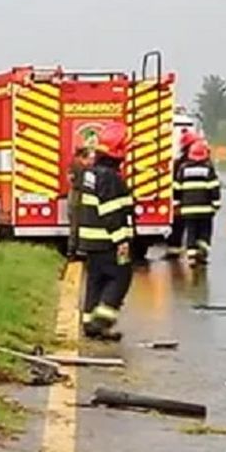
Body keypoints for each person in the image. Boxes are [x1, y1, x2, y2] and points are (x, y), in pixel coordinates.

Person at [72, 122, 136, 341]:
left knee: (96, 280)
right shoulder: (109, 177)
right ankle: (101, 321)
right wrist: (122, 240)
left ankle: (90, 323)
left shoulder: (90, 173)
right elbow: (110, 211)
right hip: (110, 241)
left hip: (91, 242)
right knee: (121, 277)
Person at [172, 139, 222, 265]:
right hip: (205, 209)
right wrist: (216, 204)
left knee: (191, 232)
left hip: (188, 209)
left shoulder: (183, 169)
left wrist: (177, 204)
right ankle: (202, 253)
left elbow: (177, 187)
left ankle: (192, 257)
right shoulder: (208, 169)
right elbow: (214, 187)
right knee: (204, 231)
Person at [167, 128, 201, 255]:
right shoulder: (203, 162)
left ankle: (175, 247)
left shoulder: (180, 163)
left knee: (180, 224)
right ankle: (194, 249)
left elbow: (175, 182)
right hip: (195, 203)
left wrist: (176, 199)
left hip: (183, 200)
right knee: (196, 228)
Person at [64, 146, 92, 258]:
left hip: (74, 195)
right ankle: (76, 250)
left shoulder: (73, 166)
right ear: (82, 157)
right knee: (77, 224)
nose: (90, 160)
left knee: (74, 224)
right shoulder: (82, 168)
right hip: (79, 196)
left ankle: (72, 250)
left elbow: (70, 179)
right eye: (88, 157)